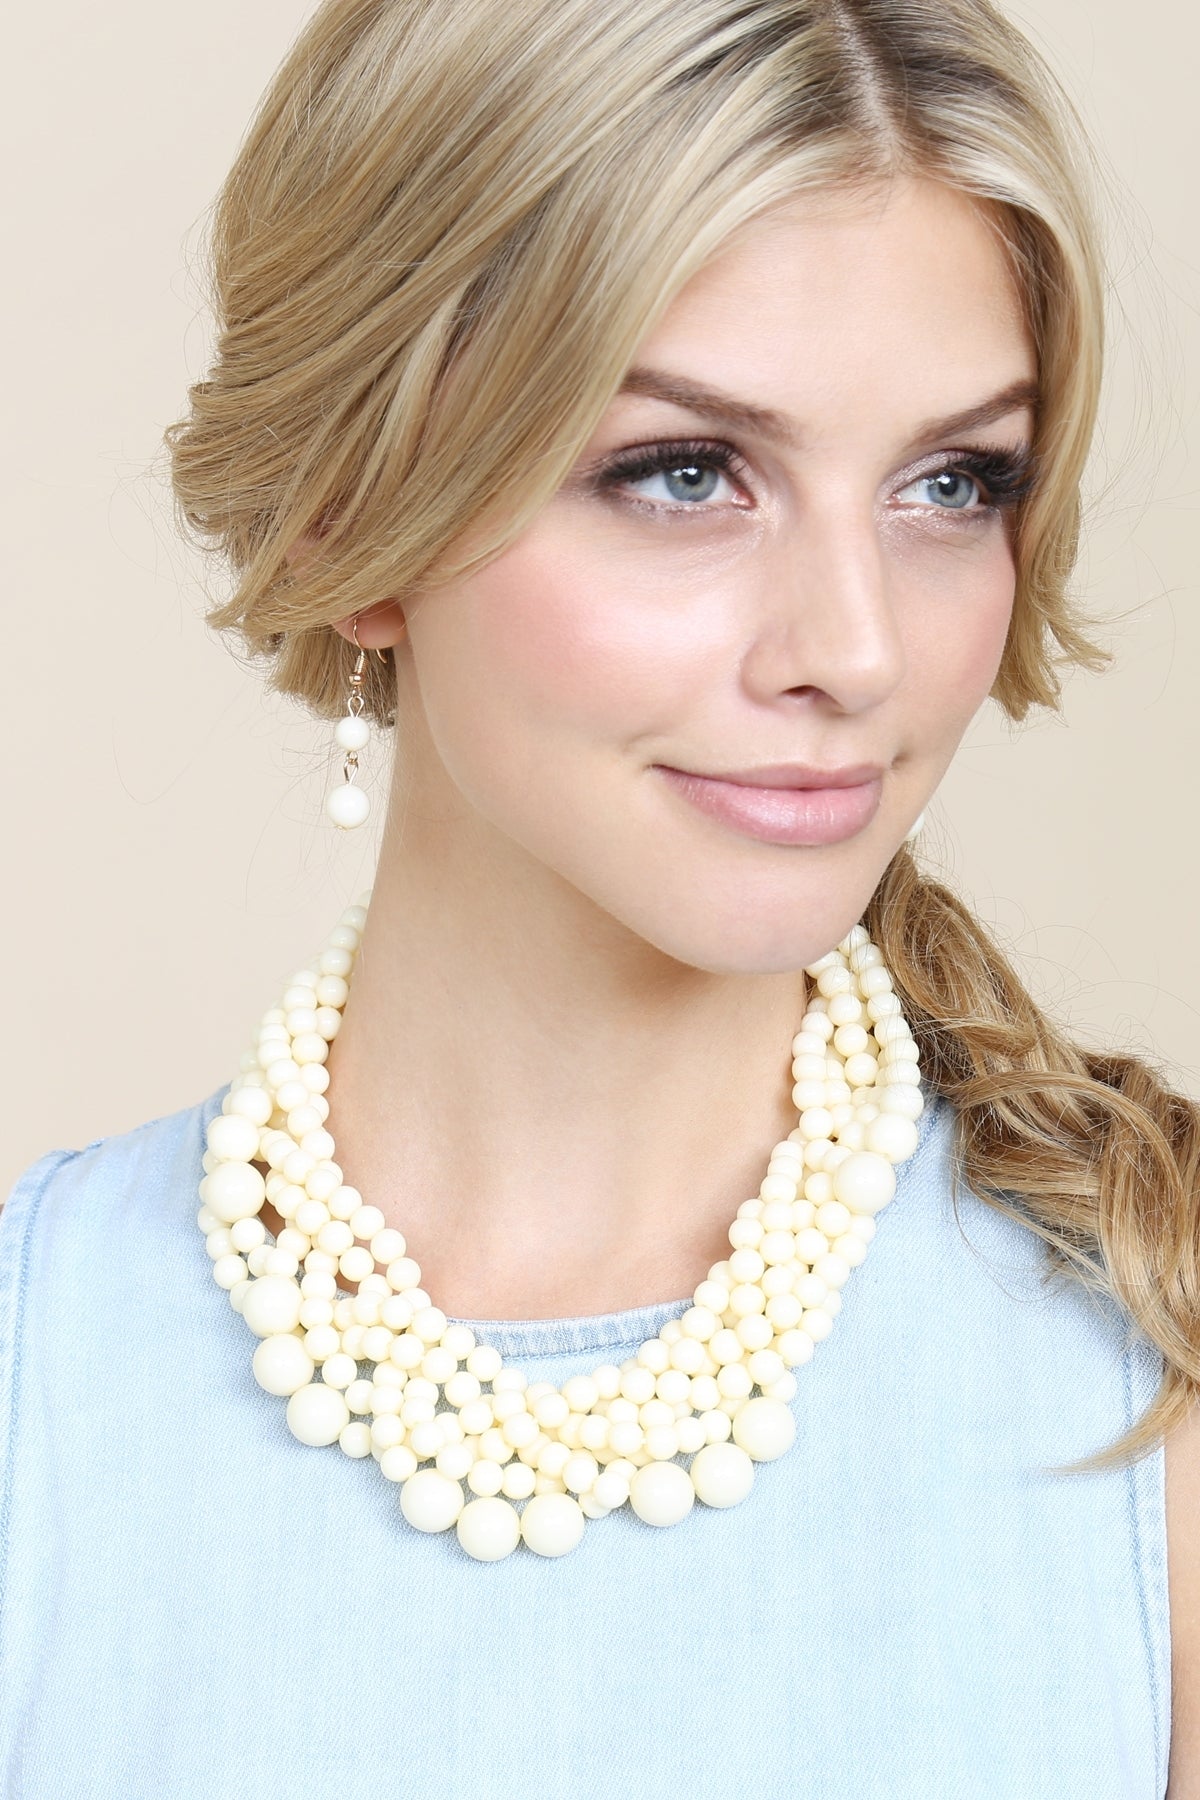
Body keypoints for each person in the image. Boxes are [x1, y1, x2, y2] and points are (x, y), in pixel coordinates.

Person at [2, 0, 1197, 1792]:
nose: (859, 647)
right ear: (348, 516)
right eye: (686, 474)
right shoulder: (41, 1385)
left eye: (953, 484)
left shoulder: (1154, 1385)